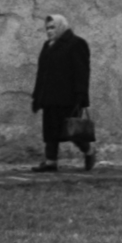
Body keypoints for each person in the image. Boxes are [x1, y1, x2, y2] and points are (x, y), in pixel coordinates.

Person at [30, 13, 94, 171]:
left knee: (71, 131)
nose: (49, 31)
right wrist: (37, 97)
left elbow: (82, 72)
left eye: (52, 27)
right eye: (47, 28)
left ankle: (89, 151)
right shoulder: (47, 46)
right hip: (49, 97)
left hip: (68, 97)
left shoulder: (76, 43)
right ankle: (51, 162)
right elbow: (42, 73)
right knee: (50, 130)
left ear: (61, 26)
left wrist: (81, 97)